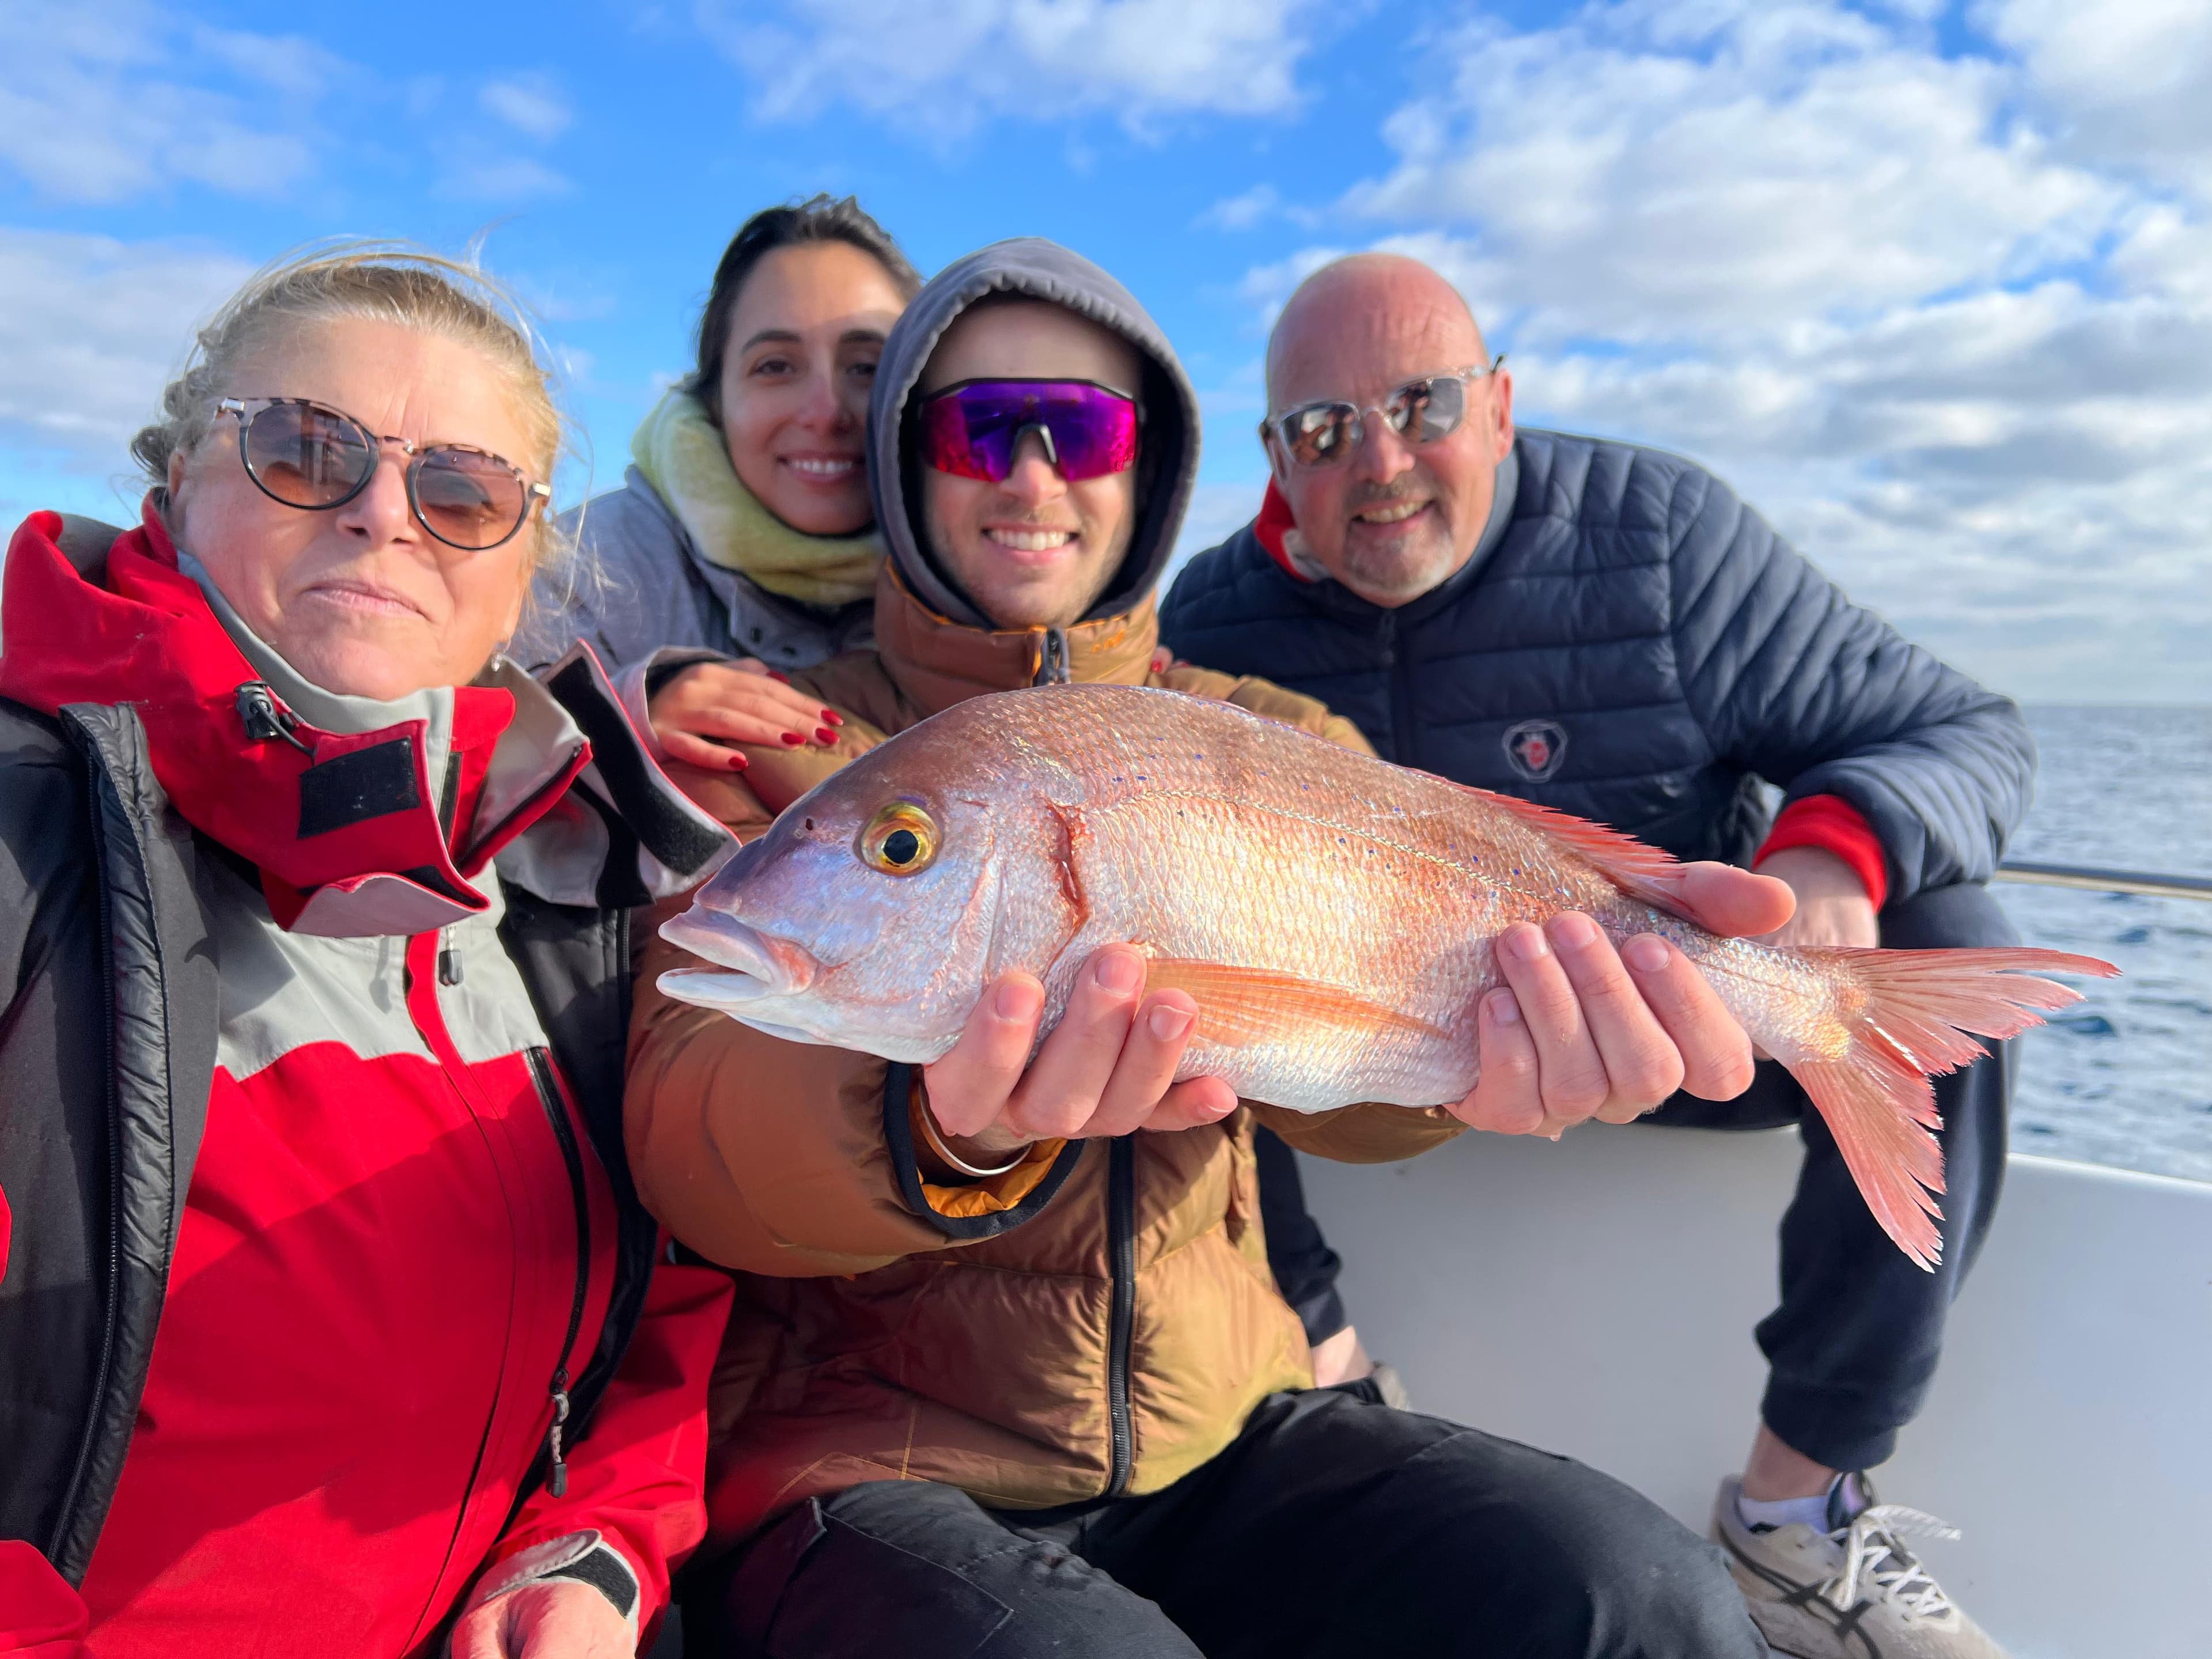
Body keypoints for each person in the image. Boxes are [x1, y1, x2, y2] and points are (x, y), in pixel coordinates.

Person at [626, 237, 1786, 1658]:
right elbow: (681, 1124)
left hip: (1224, 1429)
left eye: (1088, 427)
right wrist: (935, 1124)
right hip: (866, 1471)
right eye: (972, 424)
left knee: (1636, 1595)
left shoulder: (1281, 737)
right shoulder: (775, 737)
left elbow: (1341, 1086)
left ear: (1152, 466)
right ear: (901, 458)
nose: (1032, 471)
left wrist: (1479, 1064)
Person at [1160, 251, 2036, 1659]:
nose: (1377, 463)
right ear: (1274, 458)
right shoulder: (1203, 627)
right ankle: (1324, 1372)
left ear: (1500, 407)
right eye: (1323, 431)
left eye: (1420, 404)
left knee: (1950, 944)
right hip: (1374, 1062)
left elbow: (1962, 732)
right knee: (1162, 952)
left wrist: (1828, 857)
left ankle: (1794, 1513)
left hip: (1663, 1023)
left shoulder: (1661, 537)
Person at [0, 247, 737, 1658]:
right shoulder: (24, 840)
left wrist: (589, 1555)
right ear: (171, 488)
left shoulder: (569, 897)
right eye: (304, 451)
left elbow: (653, 1320)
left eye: (463, 493)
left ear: (521, 580)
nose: (384, 515)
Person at [512, 194, 923, 784]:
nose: (826, 412)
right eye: (776, 366)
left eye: (867, 366)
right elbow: (469, 756)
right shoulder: (585, 568)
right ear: (714, 401)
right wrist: (618, 713)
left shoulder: (985, 569)